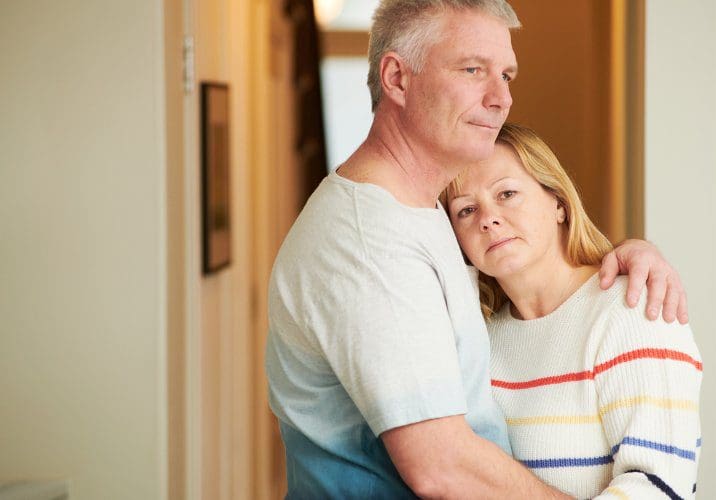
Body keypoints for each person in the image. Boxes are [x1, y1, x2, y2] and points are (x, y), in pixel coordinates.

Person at [266, 0, 688, 497]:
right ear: (397, 79)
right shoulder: (370, 240)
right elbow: (442, 467)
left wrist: (634, 251)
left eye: (506, 75)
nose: (501, 98)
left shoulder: (418, 215)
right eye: (472, 70)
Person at [442, 123, 702, 499]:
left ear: (559, 204)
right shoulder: (478, 342)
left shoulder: (631, 309)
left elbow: (659, 487)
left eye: (507, 193)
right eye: (465, 209)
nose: (487, 217)